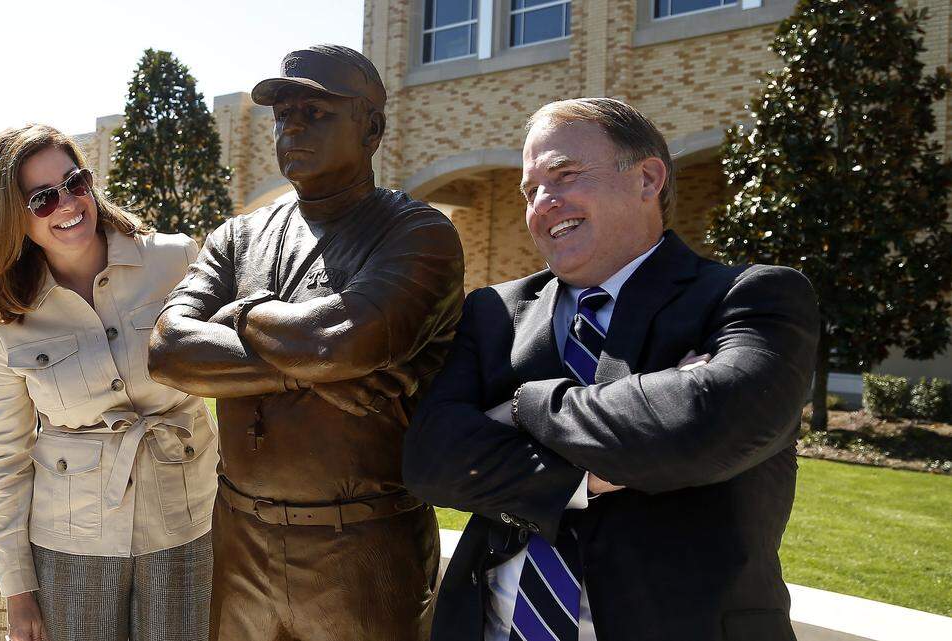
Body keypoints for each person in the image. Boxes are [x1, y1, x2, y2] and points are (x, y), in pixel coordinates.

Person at [403, 98, 819, 641]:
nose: (542, 205)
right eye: (530, 192)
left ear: (647, 179)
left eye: (566, 175)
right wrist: (589, 474)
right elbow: (431, 459)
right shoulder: (494, 313)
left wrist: (522, 405)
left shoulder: (751, 298)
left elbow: (700, 428)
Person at [149, 45, 464, 641]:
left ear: (371, 128)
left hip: (363, 548)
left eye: (316, 111)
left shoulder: (418, 233)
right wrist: (305, 371)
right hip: (242, 541)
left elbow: (339, 343)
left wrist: (240, 316)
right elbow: (167, 349)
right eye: (282, 112)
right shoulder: (239, 235)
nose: (292, 123)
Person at [0, 125, 218, 641]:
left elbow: (230, 385)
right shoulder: (3, 313)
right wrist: (17, 590)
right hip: (70, 541)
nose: (67, 204)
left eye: (76, 182)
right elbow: (5, 454)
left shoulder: (175, 261)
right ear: (11, 216)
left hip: (186, 523)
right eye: (42, 197)